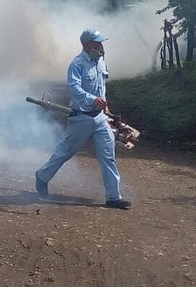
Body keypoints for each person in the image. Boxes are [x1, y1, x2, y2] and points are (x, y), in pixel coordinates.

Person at [35, 28, 132, 210]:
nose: (101, 46)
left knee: (108, 156)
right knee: (65, 151)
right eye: (97, 43)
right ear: (87, 44)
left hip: (100, 118)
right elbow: (74, 89)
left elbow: (101, 87)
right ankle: (42, 176)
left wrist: (105, 106)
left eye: (101, 43)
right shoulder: (77, 64)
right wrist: (93, 99)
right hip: (81, 118)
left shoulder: (100, 61)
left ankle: (113, 197)